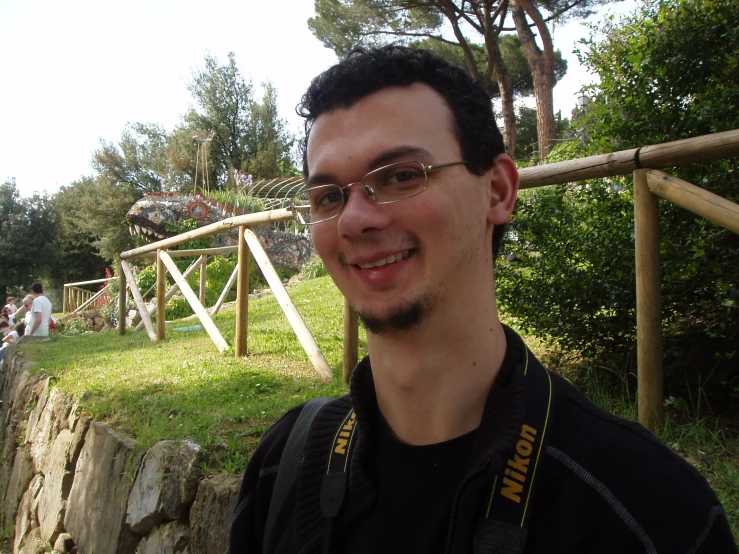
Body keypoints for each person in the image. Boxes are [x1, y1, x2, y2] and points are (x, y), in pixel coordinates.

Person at [229, 47, 737, 554]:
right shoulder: (285, 466)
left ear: (496, 190)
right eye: (329, 196)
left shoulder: (648, 510)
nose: (355, 219)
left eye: (401, 175)